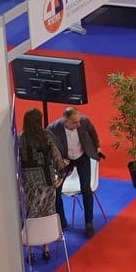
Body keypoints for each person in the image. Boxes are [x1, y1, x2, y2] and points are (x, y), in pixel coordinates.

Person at [18, 108, 66, 258]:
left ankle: (31, 249)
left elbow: (15, 161)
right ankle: (46, 248)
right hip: (47, 183)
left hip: (29, 185)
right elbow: (57, 158)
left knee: (30, 215)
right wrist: (61, 176)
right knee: (47, 212)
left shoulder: (20, 139)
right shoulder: (47, 136)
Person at [48, 107, 104, 235]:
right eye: (74, 122)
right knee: (56, 190)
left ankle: (89, 222)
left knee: (86, 189)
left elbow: (92, 132)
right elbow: (49, 146)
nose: (78, 124)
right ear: (65, 121)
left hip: (82, 157)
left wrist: (97, 147)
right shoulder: (53, 128)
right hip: (65, 160)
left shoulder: (85, 121)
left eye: (78, 121)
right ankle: (62, 221)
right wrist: (58, 158)